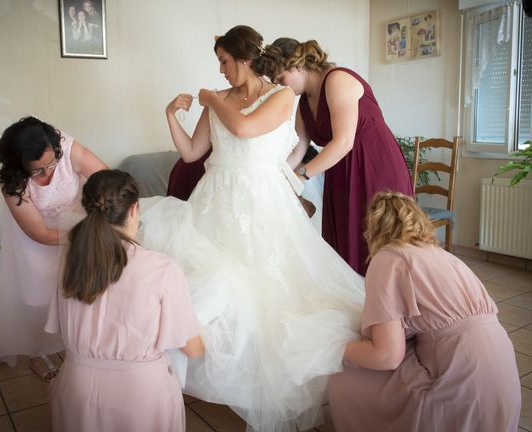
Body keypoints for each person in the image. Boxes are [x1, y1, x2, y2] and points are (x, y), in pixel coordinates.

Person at [138, 25, 365, 432]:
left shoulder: (281, 96)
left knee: (269, 293)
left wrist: (209, 98)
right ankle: (220, 375)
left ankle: (265, 380)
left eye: (224, 61)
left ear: (244, 58)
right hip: (215, 197)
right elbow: (192, 151)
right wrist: (170, 114)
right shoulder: (219, 100)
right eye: (218, 64)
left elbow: (244, 129)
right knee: (217, 288)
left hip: (263, 201)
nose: (221, 70)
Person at [328, 192, 521, 432]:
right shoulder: (446, 257)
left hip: (463, 388)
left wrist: (333, 346)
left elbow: (387, 356)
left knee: (346, 378)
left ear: (374, 228)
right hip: (505, 384)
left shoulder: (388, 258)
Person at [45, 169, 204, 432]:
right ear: (134, 210)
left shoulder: (68, 261)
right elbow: (193, 349)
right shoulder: (161, 268)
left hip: (76, 387)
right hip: (139, 396)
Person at [261, 38, 413, 275]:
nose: (281, 86)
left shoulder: (337, 80)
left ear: (299, 66)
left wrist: (302, 175)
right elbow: (299, 147)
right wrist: (277, 174)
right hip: (340, 170)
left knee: (378, 242)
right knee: (346, 238)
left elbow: (343, 142)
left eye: (281, 78)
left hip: (373, 165)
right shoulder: (303, 102)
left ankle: (389, 301)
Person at [0, 116, 107, 381]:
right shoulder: (12, 183)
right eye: (37, 171)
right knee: (38, 296)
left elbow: (106, 177)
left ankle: (79, 348)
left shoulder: (66, 147)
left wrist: (103, 215)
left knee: (78, 288)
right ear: (19, 166)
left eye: (51, 164)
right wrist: (85, 234)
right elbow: (39, 232)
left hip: (75, 219)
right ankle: (37, 353)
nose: (48, 173)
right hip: (35, 237)